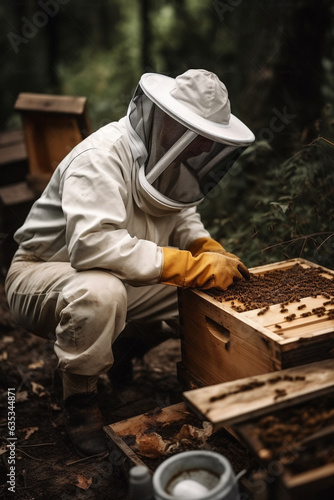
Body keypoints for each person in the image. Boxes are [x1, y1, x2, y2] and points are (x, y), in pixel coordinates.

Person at [5, 69, 255, 457]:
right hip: (41, 274)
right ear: (169, 122)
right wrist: (188, 265)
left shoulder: (173, 157)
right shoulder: (100, 156)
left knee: (204, 296)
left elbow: (180, 216)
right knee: (101, 292)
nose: (201, 149)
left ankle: (123, 349)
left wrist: (203, 245)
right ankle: (81, 404)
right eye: (198, 138)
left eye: (209, 141)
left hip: (118, 274)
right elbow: (92, 246)